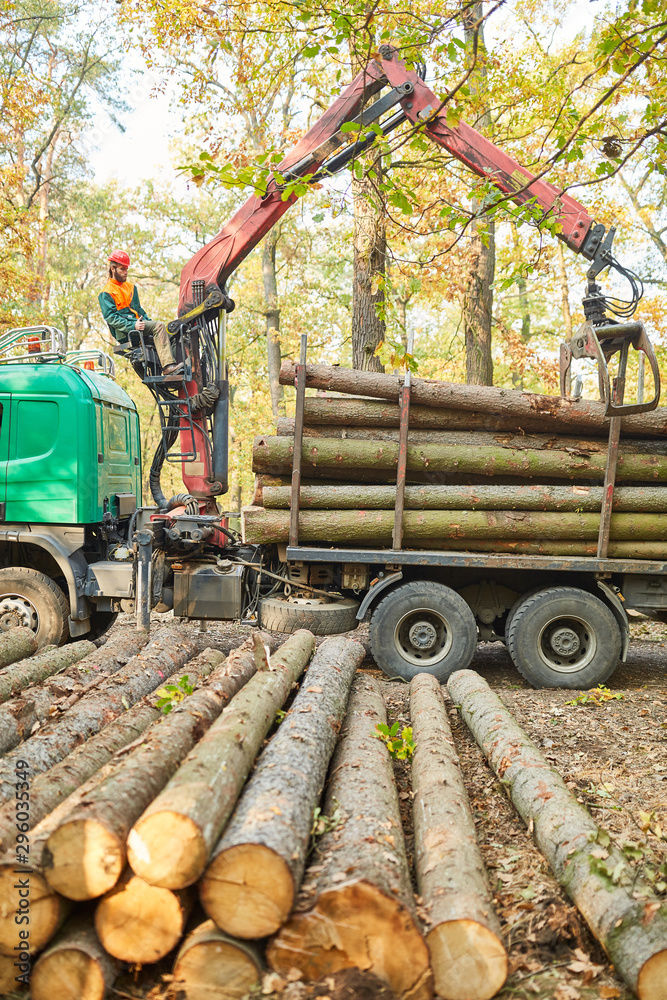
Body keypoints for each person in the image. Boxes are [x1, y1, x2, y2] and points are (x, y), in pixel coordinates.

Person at [99, 250, 183, 376]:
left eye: (126, 269)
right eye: (122, 269)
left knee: (172, 334)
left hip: (139, 326)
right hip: (126, 332)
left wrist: (148, 321)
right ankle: (168, 367)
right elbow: (111, 318)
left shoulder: (131, 287)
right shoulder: (106, 292)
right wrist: (133, 326)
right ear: (113, 269)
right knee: (158, 326)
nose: (126, 272)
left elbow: (138, 310)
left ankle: (176, 367)